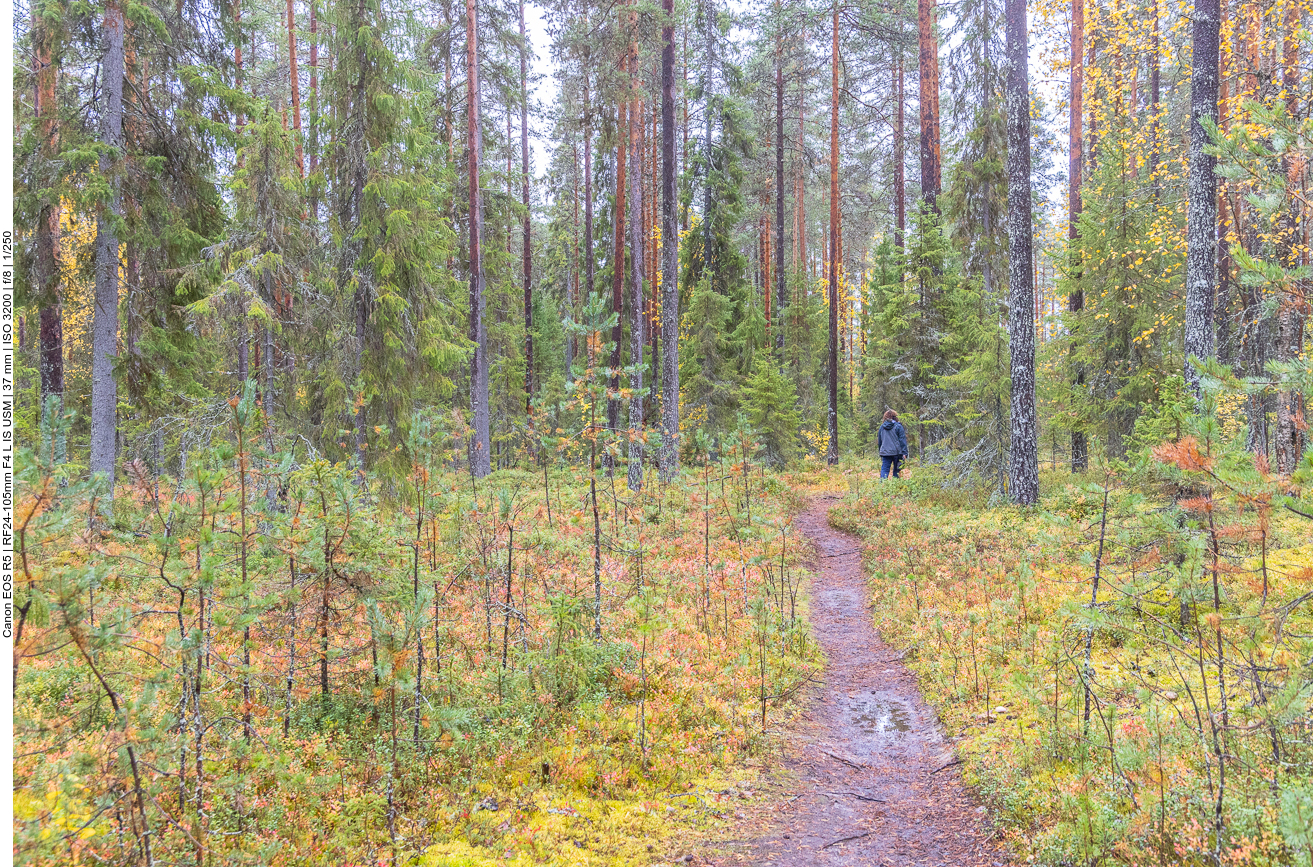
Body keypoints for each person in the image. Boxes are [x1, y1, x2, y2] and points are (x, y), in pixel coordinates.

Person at [878, 409, 908, 479]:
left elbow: (880, 441)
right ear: (895, 417)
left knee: (884, 470)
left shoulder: (882, 427)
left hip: (885, 453)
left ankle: (882, 485)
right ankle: (895, 484)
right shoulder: (898, 426)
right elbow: (902, 440)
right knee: (896, 471)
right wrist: (905, 453)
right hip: (897, 453)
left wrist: (881, 452)